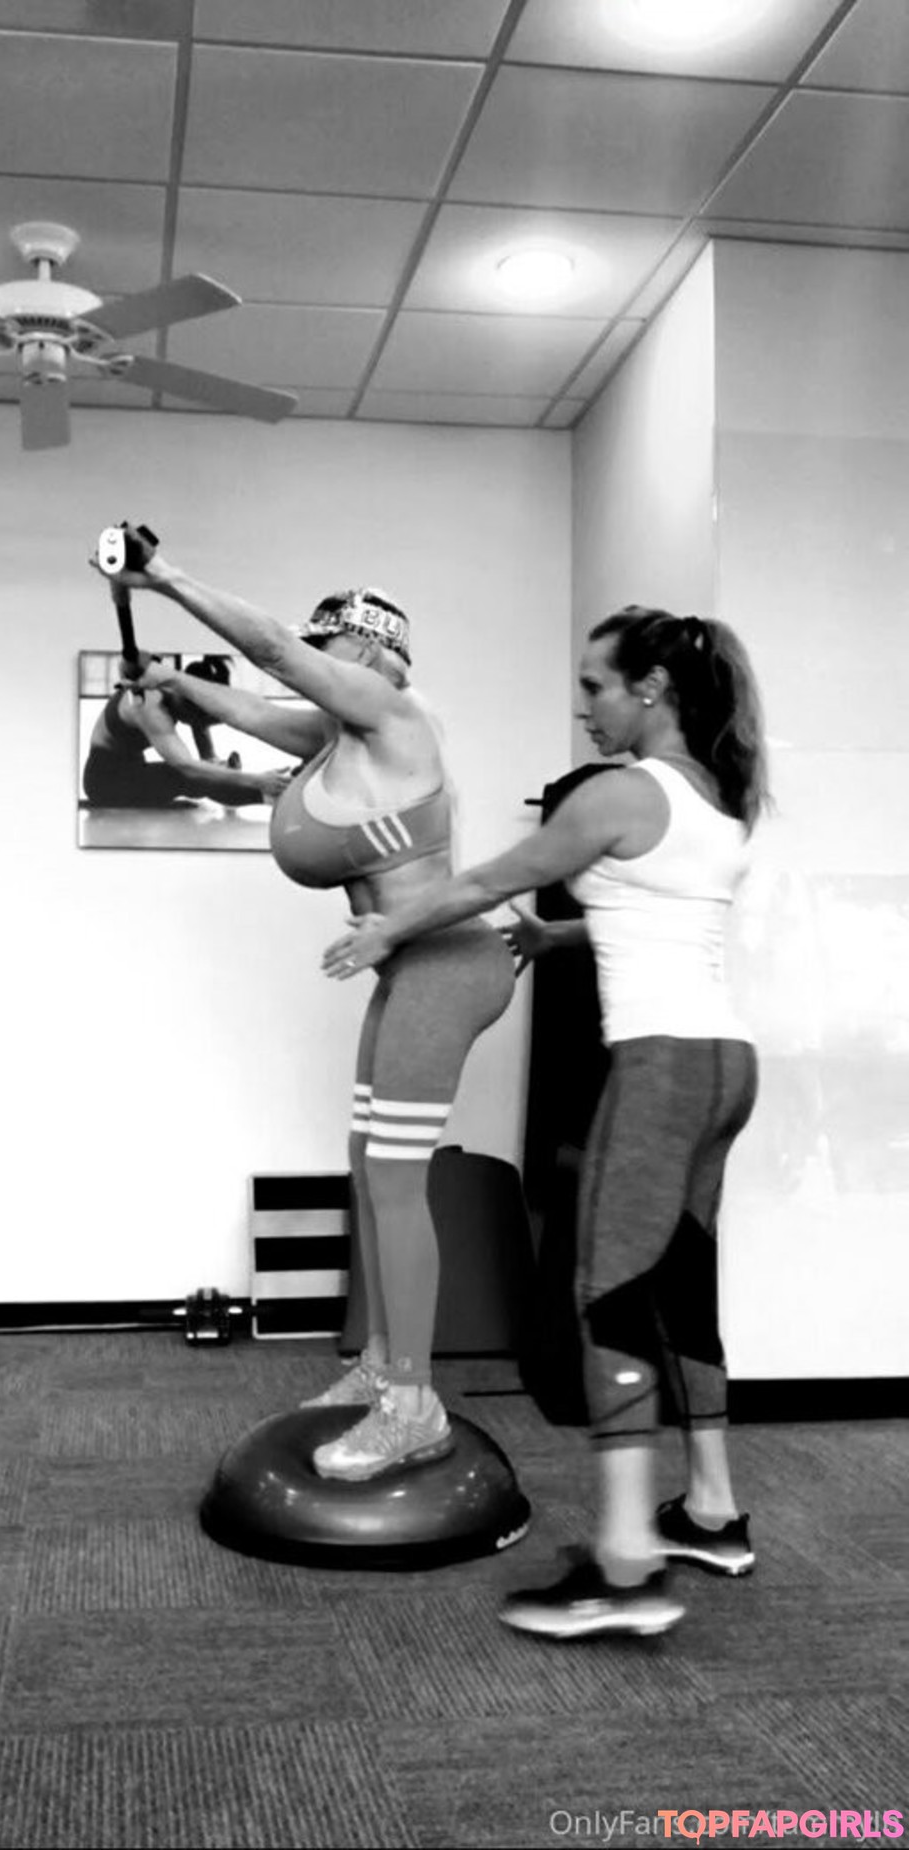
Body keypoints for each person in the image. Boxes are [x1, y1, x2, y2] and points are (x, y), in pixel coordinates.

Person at [323, 606, 769, 1639]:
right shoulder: (716, 793)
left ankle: (625, 1566)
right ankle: (710, 1511)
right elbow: (665, 914)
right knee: (684, 1285)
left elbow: (482, 880)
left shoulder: (619, 792)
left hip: (661, 1070)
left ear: (651, 688)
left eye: (596, 686)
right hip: (727, 1064)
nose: (585, 708)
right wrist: (557, 938)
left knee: (605, 1299)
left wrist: (387, 927)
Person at [95, 532, 515, 1482]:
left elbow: (276, 656)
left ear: (366, 650)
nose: (317, 662)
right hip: (408, 969)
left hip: (448, 965)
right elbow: (250, 713)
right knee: (370, 1170)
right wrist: (170, 684)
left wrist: (164, 578)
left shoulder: (395, 712)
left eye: (331, 648)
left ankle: (413, 1404)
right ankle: (384, 1366)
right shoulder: (339, 743)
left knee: (397, 1182)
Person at [81, 645, 289, 811]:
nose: (198, 724)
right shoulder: (150, 706)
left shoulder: (178, 688)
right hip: (105, 783)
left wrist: (213, 761)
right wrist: (256, 781)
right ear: (185, 703)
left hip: (131, 767)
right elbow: (186, 767)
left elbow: (199, 726)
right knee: (187, 776)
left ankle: (271, 790)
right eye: (197, 718)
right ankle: (268, 796)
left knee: (208, 771)